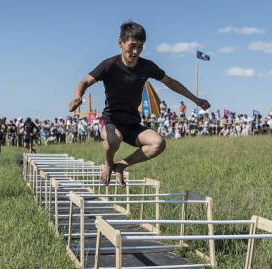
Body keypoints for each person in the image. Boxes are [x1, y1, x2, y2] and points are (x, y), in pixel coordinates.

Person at [69, 21, 210, 186]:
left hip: (132, 124)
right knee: (114, 139)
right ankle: (108, 163)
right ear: (120, 43)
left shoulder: (146, 66)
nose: (136, 51)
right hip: (111, 122)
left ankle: (121, 166)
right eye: (132, 46)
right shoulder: (109, 65)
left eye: (140, 47)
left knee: (158, 143)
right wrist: (78, 96)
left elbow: (170, 82)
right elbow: (84, 82)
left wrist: (196, 99)